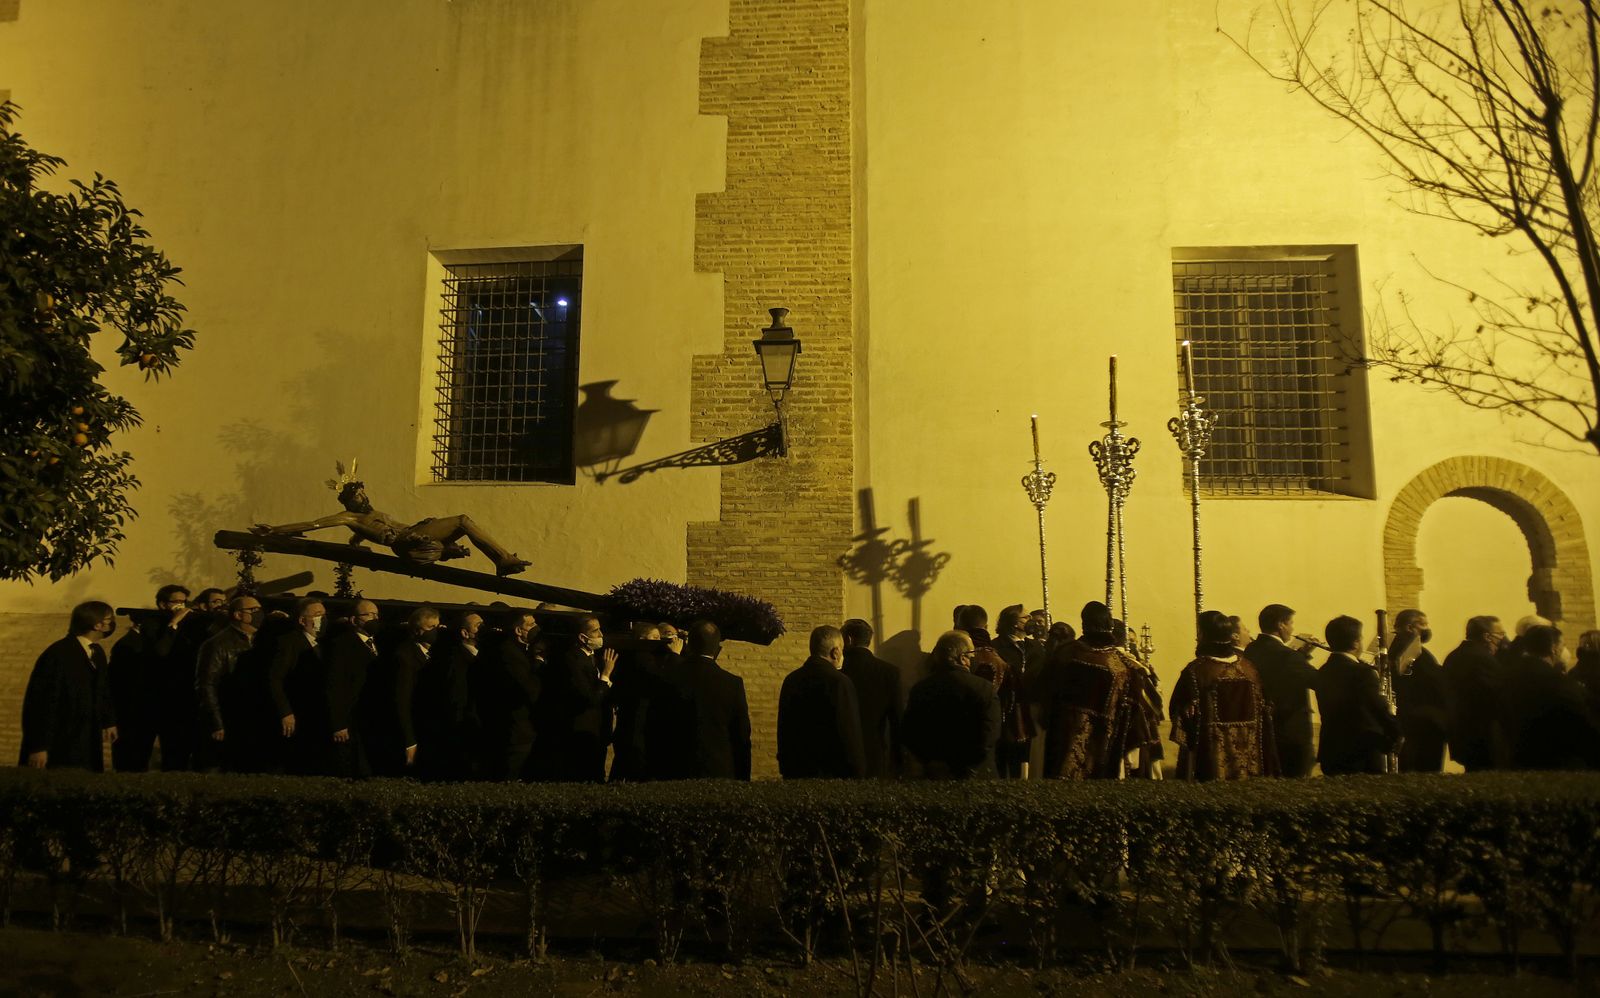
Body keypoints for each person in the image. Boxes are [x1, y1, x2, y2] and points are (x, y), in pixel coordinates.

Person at [251, 468, 530, 577]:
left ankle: (488, 557)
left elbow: (370, 534)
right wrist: (276, 530)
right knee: (462, 520)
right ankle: (501, 559)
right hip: (408, 546)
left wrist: (357, 543)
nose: (363, 498)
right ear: (349, 503)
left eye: (363, 493)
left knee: (458, 524)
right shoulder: (349, 518)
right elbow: (313, 524)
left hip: (416, 538)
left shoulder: (374, 514)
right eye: (357, 497)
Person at [1031, 601, 1163, 780]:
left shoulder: (1065, 653)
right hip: (1104, 742)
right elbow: (1150, 704)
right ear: (1108, 624)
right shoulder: (1122, 664)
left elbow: (1042, 691)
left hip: (1063, 736)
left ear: (1084, 624)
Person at [1169, 610, 1278, 780]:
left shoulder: (1196, 671)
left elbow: (1180, 713)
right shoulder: (1250, 670)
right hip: (1251, 759)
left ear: (1203, 635)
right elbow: (1267, 710)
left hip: (1210, 760)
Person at [18, 601, 119, 770]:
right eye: (109, 619)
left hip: (86, 736)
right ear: (97, 624)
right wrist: (39, 746)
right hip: (61, 737)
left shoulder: (97, 653)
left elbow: (102, 690)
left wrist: (108, 721)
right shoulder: (59, 654)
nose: (111, 623)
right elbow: (40, 702)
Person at [654, 620, 752, 780]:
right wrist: (743, 777)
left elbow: (655, 727)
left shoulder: (667, 677)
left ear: (689, 645)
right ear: (716, 648)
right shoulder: (732, 683)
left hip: (674, 770)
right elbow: (741, 736)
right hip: (718, 770)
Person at [108, 584, 189, 772]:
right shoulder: (135, 641)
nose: (181, 606)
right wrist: (173, 625)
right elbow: (159, 653)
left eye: (183, 602)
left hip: (169, 707)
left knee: (174, 760)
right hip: (141, 709)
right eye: (176, 601)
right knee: (134, 759)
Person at [1498, 624, 1600, 770]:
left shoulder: (1508, 675)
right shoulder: (1558, 681)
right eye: (1563, 645)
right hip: (1556, 760)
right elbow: (1581, 722)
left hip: (1519, 757)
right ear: (1554, 648)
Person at [902, 630, 1001, 779]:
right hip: (976, 773)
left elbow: (910, 730)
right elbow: (990, 732)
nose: (974, 657)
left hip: (934, 772)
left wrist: (929, 761)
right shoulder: (983, 688)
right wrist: (969, 766)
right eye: (972, 652)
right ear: (962, 658)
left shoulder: (921, 688)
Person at [777, 625, 866, 779]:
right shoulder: (839, 682)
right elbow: (849, 733)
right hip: (832, 775)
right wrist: (858, 772)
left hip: (797, 772)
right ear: (835, 652)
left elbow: (783, 727)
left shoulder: (791, 680)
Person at [1315, 615, 1400, 776]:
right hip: (1362, 751)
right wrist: (1396, 732)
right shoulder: (1362, 672)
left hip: (1332, 749)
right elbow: (1377, 707)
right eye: (1360, 638)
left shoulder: (1323, 671)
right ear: (1355, 643)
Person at [1245, 604, 1320, 778]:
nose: (1292, 628)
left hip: (1265, 728)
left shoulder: (1252, 649)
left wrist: (1302, 653)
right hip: (1291, 730)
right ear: (1281, 625)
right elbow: (1317, 681)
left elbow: (1280, 670)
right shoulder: (1288, 656)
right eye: (1291, 623)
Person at [364, 606, 438, 777]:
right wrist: (409, 741)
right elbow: (401, 701)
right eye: (431, 627)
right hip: (414, 730)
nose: (436, 631)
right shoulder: (404, 657)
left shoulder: (432, 654)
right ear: (418, 631)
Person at [194, 596, 264, 772]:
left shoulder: (262, 641)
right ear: (238, 615)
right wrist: (216, 722)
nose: (259, 614)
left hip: (253, 717)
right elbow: (207, 684)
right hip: (230, 716)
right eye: (253, 610)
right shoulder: (218, 644)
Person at [414, 611, 484, 782]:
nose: (482, 629)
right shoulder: (455, 660)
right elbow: (456, 697)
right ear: (464, 633)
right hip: (461, 731)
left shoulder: (481, 657)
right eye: (478, 625)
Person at [475, 609, 543, 781]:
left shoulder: (518, 651)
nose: (536, 628)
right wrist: (538, 664)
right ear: (519, 631)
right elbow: (528, 688)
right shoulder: (510, 654)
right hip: (515, 729)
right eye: (531, 625)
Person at [265, 598, 328, 774]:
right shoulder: (289, 642)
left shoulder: (325, 644)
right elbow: (275, 679)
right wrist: (285, 711)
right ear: (302, 620)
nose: (322, 619)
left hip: (318, 714)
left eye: (324, 614)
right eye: (317, 615)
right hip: (298, 711)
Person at [609, 621, 674, 782]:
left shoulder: (631, 657)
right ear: (642, 639)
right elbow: (660, 679)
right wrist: (675, 656)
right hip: (637, 723)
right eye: (655, 637)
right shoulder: (642, 658)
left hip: (629, 721)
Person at [1440, 615, 1507, 772]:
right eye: (1501, 635)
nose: (1503, 640)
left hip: (1462, 733)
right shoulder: (1482, 659)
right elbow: (1496, 696)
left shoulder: (1454, 656)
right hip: (1484, 736)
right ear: (1487, 637)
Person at [322, 599, 380, 778]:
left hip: (372, 717)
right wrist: (339, 723)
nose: (374, 619)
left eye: (376, 615)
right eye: (368, 615)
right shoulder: (341, 645)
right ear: (354, 620)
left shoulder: (380, 643)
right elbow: (335, 685)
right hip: (351, 718)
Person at [839, 618, 902, 778]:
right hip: (875, 753)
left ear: (849, 639)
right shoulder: (889, 672)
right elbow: (897, 720)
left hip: (842, 754)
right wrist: (898, 762)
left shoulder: (838, 676)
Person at [1391, 609, 1448, 772]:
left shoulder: (1394, 646)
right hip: (1424, 723)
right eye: (1422, 624)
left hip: (1409, 719)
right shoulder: (1414, 651)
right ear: (1410, 627)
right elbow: (1435, 684)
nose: (1427, 628)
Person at [989, 604, 1039, 778]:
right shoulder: (995, 647)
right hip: (1007, 708)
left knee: (1025, 757)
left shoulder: (1036, 647)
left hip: (1029, 708)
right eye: (1026, 618)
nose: (1031, 621)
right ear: (1013, 623)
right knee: (1005, 754)